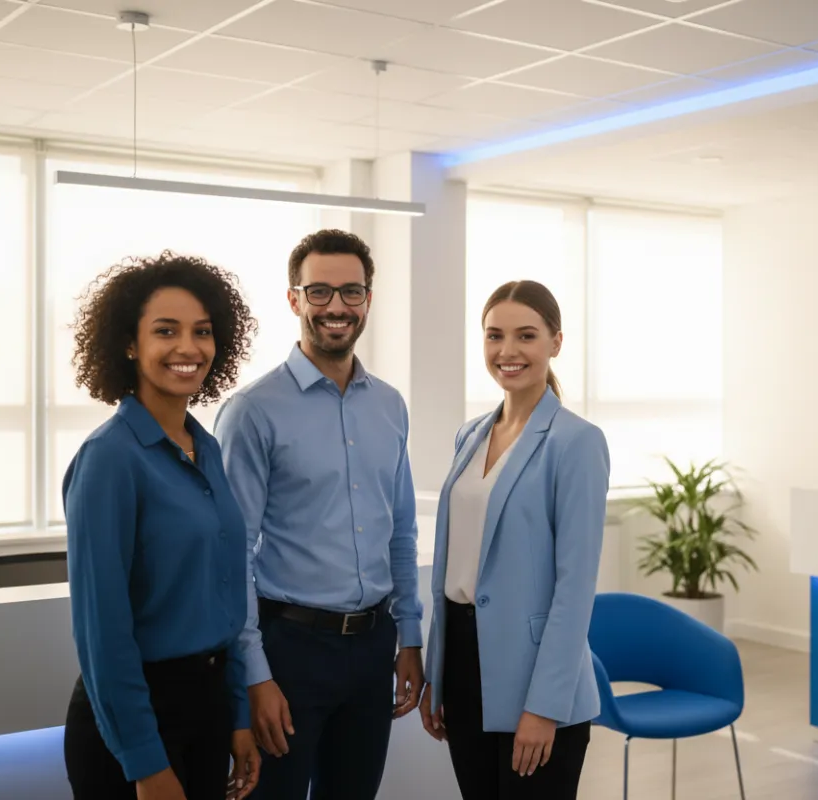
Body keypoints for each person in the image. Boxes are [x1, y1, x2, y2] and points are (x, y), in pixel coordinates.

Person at [214, 229, 424, 800]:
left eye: (351, 292)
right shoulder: (252, 412)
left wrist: (410, 636)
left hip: (374, 645)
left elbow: (399, 532)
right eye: (320, 291)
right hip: (290, 652)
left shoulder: (389, 405)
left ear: (368, 300)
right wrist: (254, 674)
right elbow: (233, 558)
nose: (337, 307)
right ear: (294, 299)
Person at [62, 251, 262, 800]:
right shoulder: (109, 459)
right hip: (138, 718)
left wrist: (237, 715)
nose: (188, 348)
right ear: (130, 344)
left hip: (208, 706)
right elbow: (102, 634)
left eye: (202, 331)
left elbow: (224, 600)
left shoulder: (207, 449)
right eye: (165, 331)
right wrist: (146, 764)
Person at [419, 279, 610, 799]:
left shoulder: (576, 442)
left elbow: (574, 590)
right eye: (494, 336)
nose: (507, 351)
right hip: (462, 662)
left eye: (526, 336)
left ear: (556, 342)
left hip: (535, 676)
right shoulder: (470, 434)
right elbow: (454, 568)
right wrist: (438, 670)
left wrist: (544, 706)